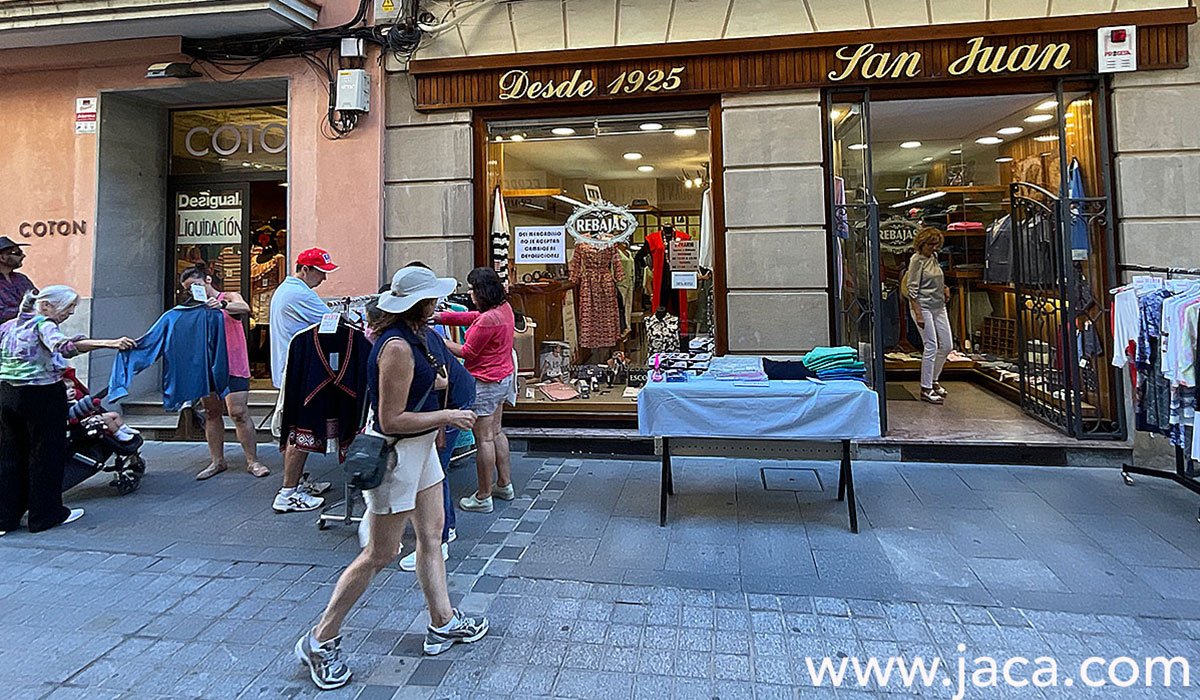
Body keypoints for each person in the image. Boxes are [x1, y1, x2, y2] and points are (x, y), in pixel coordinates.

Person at [295, 267, 486, 690]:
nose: (439, 303)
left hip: (419, 451)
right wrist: (447, 416)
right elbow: (391, 418)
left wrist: (439, 402)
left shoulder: (416, 337)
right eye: (434, 298)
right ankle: (320, 639)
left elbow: (429, 382)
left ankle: (442, 621)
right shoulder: (397, 346)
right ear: (420, 304)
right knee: (379, 554)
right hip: (397, 455)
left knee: (432, 536)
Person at [0, 286, 135, 535]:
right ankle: (45, 516)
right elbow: (65, 348)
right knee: (45, 455)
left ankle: (4, 518)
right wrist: (108, 343)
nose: (71, 313)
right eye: (69, 307)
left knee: (10, 455)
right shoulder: (44, 324)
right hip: (41, 396)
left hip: (7, 395)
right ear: (47, 305)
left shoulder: (8, 326)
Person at [434, 267, 516, 514]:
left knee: (484, 438)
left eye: (471, 289)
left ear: (482, 291)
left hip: (485, 383)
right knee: (497, 432)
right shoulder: (504, 309)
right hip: (503, 379)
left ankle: (483, 496)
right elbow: (472, 318)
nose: (469, 293)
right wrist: (442, 318)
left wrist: (438, 339)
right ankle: (504, 484)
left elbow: (467, 352)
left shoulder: (488, 319)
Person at [178, 264, 271, 480]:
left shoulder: (228, 296)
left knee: (238, 412)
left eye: (195, 285)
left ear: (208, 280)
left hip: (234, 363)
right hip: (207, 365)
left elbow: (244, 308)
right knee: (211, 412)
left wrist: (220, 305)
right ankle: (217, 461)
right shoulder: (194, 307)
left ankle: (252, 461)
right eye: (188, 288)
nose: (193, 291)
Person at [268, 248, 339, 513]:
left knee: (294, 430)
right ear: (305, 270)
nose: (324, 279)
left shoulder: (289, 290)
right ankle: (288, 493)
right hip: (299, 372)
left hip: (293, 370)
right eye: (321, 273)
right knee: (300, 432)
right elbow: (336, 322)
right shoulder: (299, 293)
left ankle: (296, 483)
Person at [905, 227, 953, 405]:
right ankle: (926, 388)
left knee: (947, 345)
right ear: (922, 243)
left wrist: (945, 288)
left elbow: (937, 278)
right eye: (931, 244)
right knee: (931, 345)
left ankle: (934, 379)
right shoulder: (917, 260)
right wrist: (918, 314)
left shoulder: (934, 257)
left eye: (936, 244)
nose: (934, 248)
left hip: (939, 306)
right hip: (923, 307)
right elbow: (912, 289)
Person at [0, 236, 36, 325]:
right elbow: (2, 314)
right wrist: (28, 311)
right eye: (17, 253)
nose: (23, 255)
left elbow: (37, 298)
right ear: (2, 258)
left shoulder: (22, 279)